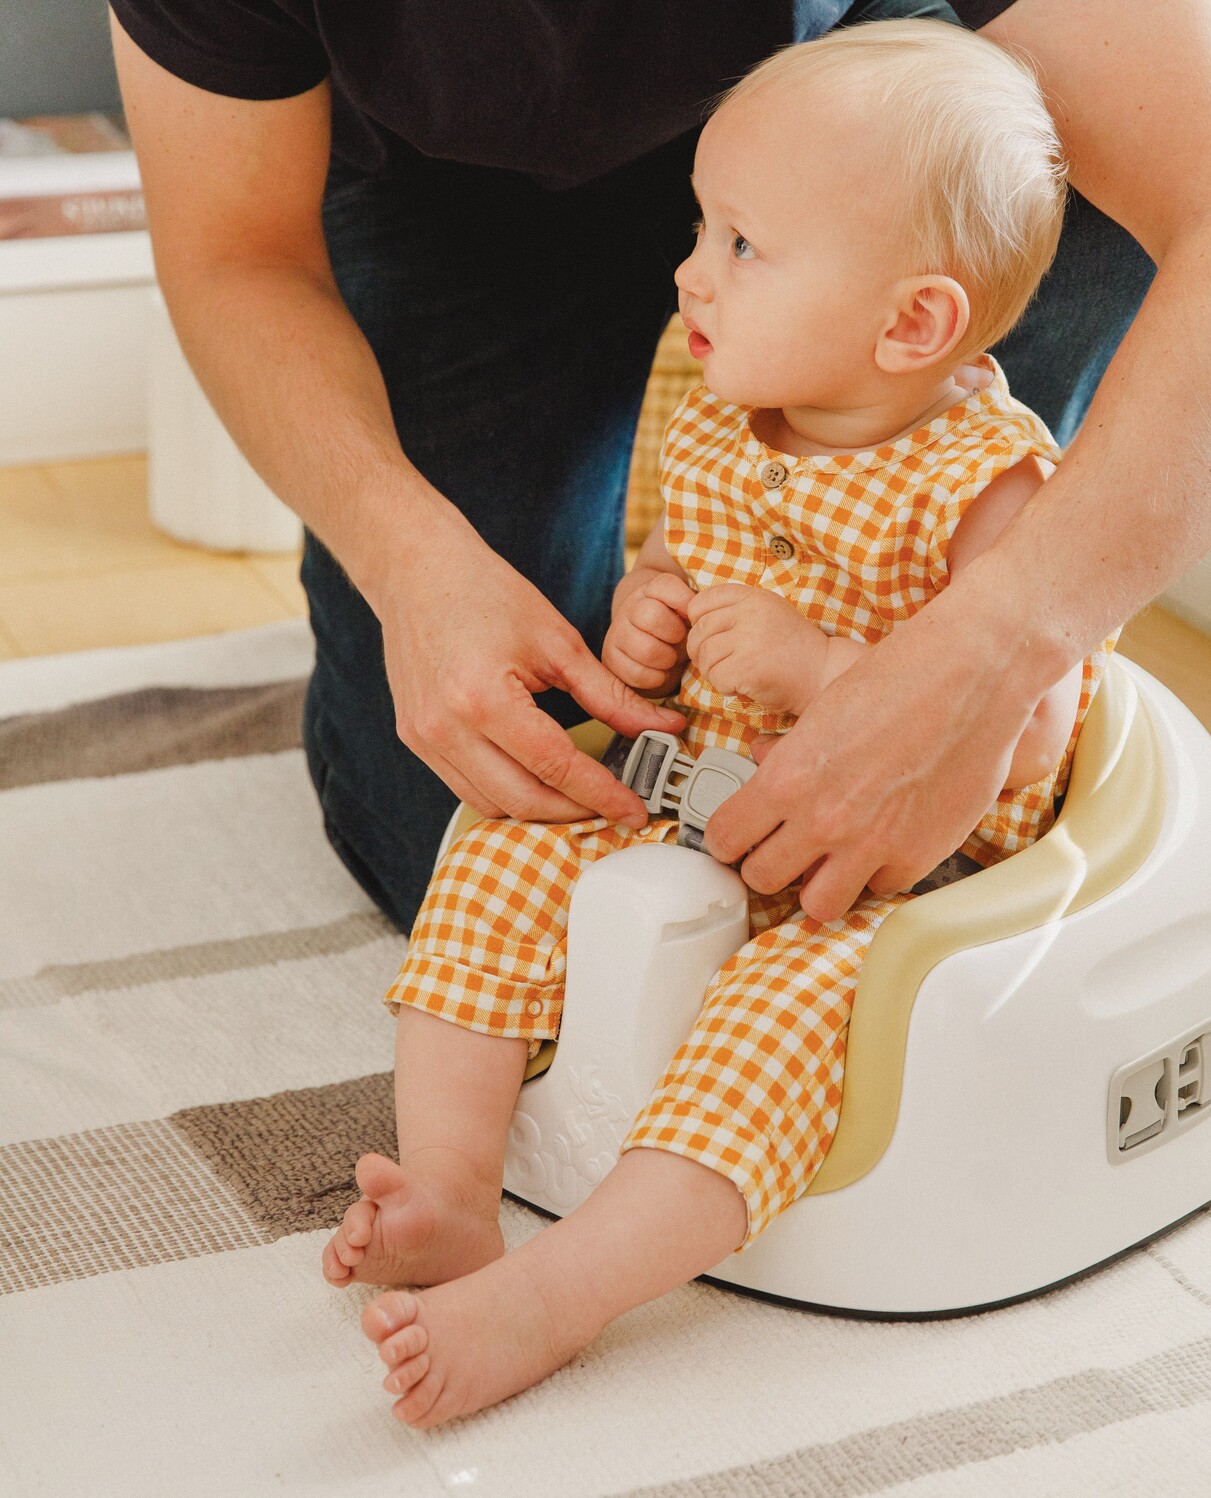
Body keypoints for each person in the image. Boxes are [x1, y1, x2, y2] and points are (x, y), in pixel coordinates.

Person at [108, 0, 1211, 940]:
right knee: (440, 834)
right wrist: (411, 559)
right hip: (457, 197)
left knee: (935, 848)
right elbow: (234, 251)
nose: (690, 272)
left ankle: (936, 649)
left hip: (871, 108)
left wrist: (991, 646)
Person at [322, 21, 1107, 1427]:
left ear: (911, 323)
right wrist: (650, 615)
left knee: (788, 1021)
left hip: (885, 878)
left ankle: (568, 1292)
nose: (689, 268)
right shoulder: (723, 415)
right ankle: (448, 1187)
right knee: (499, 830)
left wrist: (819, 667)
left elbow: (1032, 734)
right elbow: (678, 574)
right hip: (701, 787)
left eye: (743, 244)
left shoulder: (988, 480)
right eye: (701, 225)